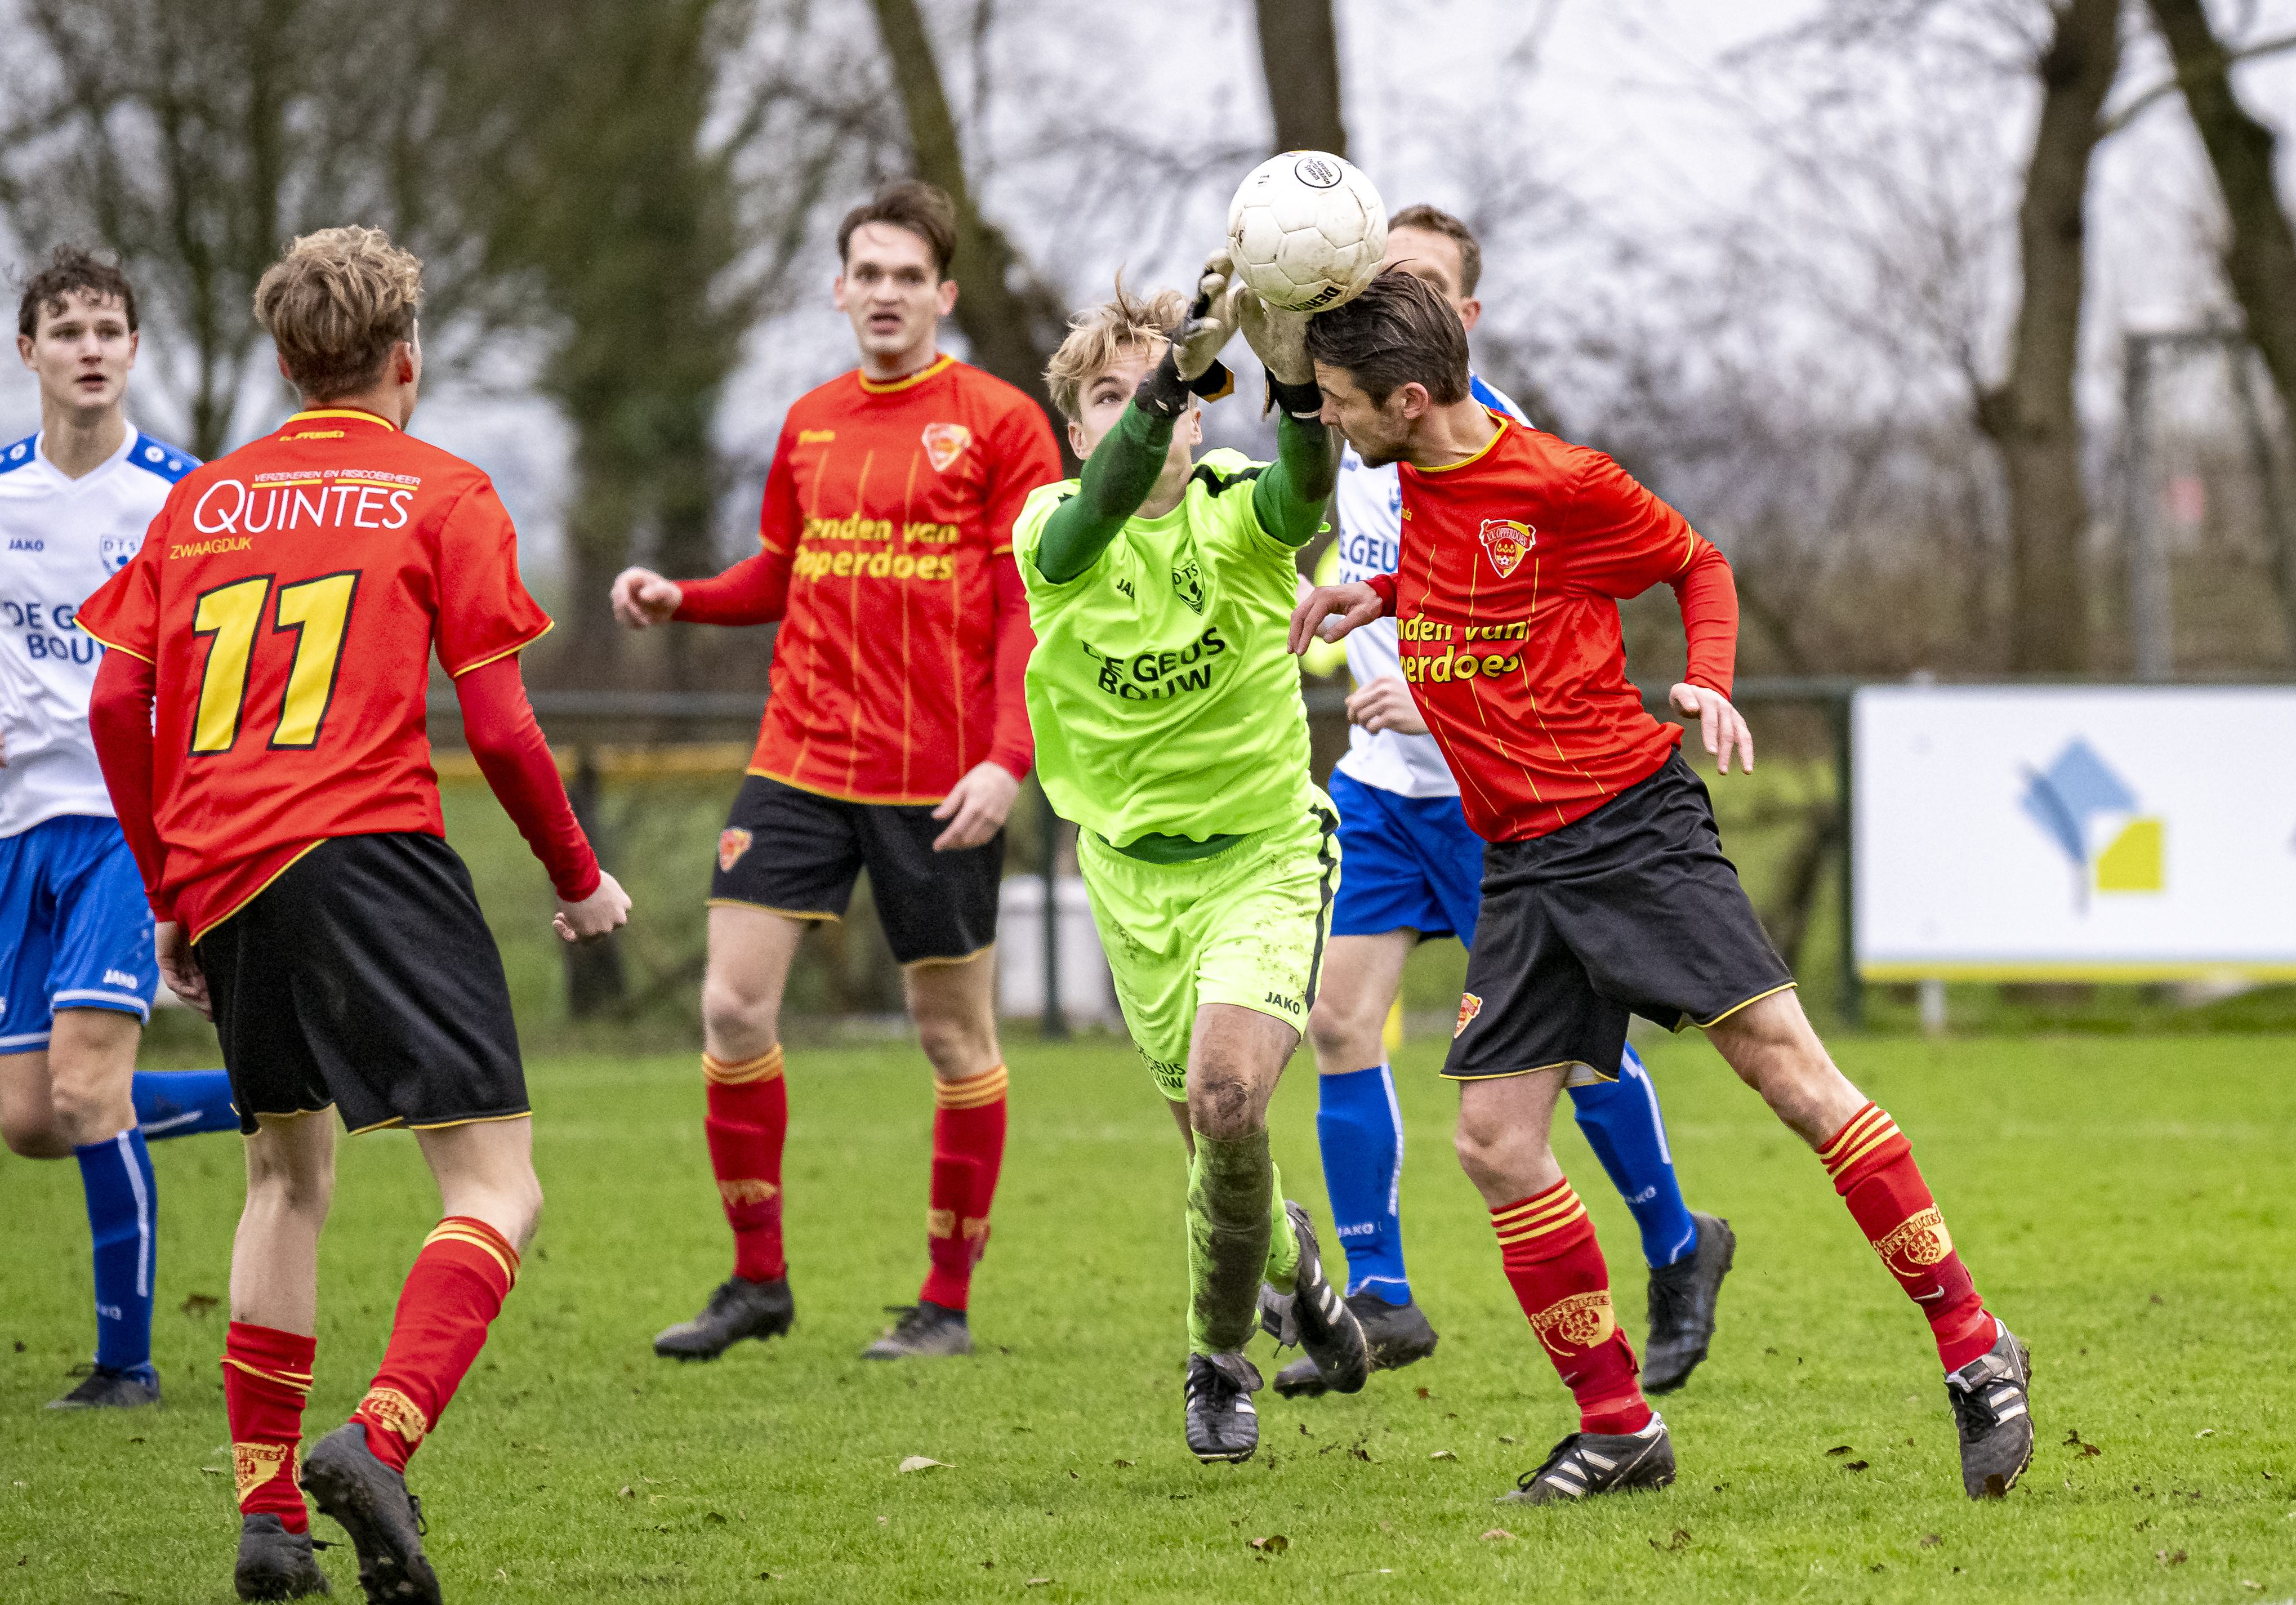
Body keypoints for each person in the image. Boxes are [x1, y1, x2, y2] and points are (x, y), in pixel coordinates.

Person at [1292, 270, 2032, 1505]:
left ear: (1408, 399)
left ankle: (1975, 1347)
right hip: (1522, 862)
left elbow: (1698, 562)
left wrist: (1709, 676)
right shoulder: (1414, 485)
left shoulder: (1561, 481)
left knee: (1793, 1080)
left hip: (1631, 833)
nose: (1323, 417)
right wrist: (1384, 594)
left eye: (1335, 399)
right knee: (1495, 1143)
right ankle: (1620, 1427)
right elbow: (1483, 589)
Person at [80, 226, 631, 1601]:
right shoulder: (443, 491)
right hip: (369, 850)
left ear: (283, 363)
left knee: (284, 1179)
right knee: (495, 1185)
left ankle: (270, 1523)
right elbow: (498, 727)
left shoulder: (201, 501)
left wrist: (170, 892)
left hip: (225, 868)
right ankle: (378, 1440)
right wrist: (576, 876)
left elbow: (115, 702)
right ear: (406, 359)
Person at [1282, 206, 1732, 1401]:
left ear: (1463, 320)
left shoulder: (1507, 446)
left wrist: (1435, 704)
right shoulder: (1361, 427)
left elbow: (1540, 641)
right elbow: (1388, 562)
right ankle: (1382, 1294)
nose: (1395, 300)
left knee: (1571, 1059)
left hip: (1504, 799)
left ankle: (1677, 1244)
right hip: (1383, 790)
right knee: (1339, 1022)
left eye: (1424, 284)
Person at [612, 182, 1059, 1365]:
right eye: (869, 273)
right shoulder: (809, 422)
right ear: (838, 288)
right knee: (730, 1007)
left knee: (951, 1036)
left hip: (940, 778)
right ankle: (757, 1281)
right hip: (801, 758)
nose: (886, 293)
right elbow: (778, 571)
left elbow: (1026, 608)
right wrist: (682, 597)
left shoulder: (1002, 421)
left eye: (909, 275)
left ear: (943, 294)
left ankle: (944, 1303)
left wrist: (1007, 761)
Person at [1012, 263, 1369, 1465]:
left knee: (1228, 1100)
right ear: (1077, 432)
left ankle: (1216, 1361)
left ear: (1204, 419)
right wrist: (1171, 378)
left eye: (1155, 392)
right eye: (1106, 398)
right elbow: (1106, 499)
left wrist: (1297, 386)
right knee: (1221, 1157)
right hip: (1130, 882)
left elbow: (1306, 489)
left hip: (1263, 854)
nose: (1137, 414)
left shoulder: (1237, 512)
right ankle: (1298, 1275)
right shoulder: (1051, 534)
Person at [2, 247, 242, 1413]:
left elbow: (225, 664)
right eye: (68, 330)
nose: (89, 349)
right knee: (31, 1118)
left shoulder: (184, 498)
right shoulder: (1, 492)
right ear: (29, 352)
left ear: (136, 350)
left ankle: (125, 1366)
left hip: (124, 822)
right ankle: (255, 1088)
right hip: (18, 830)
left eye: (108, 331)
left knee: (89, 1092)